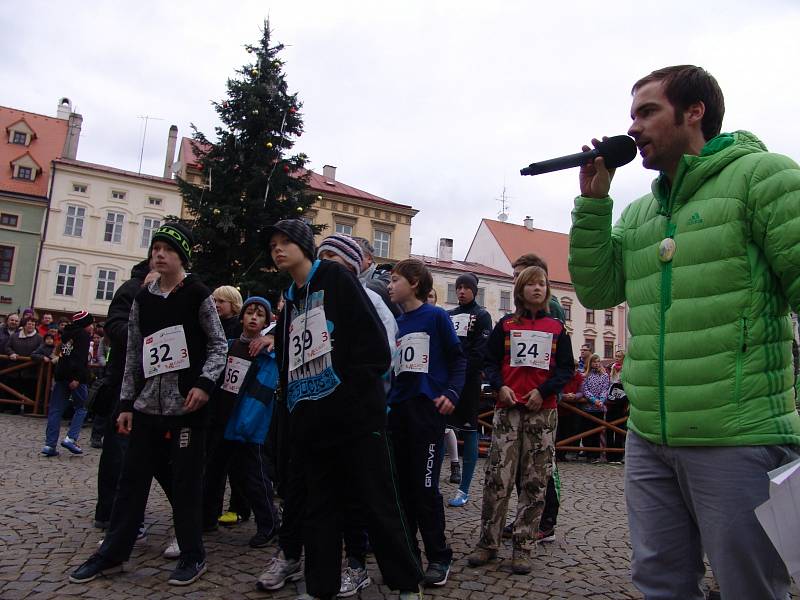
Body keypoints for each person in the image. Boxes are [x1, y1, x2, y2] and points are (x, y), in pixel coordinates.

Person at [569, 64, 800, 600]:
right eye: (631, 114)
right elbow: (599, 292)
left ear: (694, 112)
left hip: (739, 433)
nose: (633, 128)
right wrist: (594, 202)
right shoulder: (639, 211)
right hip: (649, 436)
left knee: (750, 585)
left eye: (647, 112)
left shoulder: (764, 178)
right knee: (660, 580)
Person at [267, 219, 423, 600]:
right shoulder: (289, 301)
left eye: (287, 241)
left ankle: (406, 583)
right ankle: (320, 587)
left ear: (305, 245)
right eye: (273, 243)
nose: (278, 248)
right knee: (320, 508)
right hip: (312, 424)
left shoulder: (336, 278)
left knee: (378, 501)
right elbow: (290, 367)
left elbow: (374, 348)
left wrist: (354, 400)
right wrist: (293, 418)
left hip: (356, 419)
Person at [70, 222, 227, 586]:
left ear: (181, 256)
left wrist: (204, 384)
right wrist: (126, 402)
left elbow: (218, 344)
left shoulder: (197, 293)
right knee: (131, 481)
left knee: (186, 483)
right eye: (155, 247)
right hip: (146, 406)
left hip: (187, 407)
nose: (159, 254)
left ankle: (192, 554)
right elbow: (134, 354)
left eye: (167, 249)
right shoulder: (143, 297)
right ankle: (113, 553)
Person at [467, 266, 573, 575]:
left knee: (535, 481)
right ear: (521, 289)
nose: (538, 288)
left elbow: (565, 369)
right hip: (508, 410)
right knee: (497, 478)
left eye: (542, 283)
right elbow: (489, 361)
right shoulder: (506, 325)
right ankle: (488, 543)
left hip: (542, 412)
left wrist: (544, 390)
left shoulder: (557, 328)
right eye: (532, 284)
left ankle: (524, 547)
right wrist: (500, 385)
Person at [316, 233, 398, 596]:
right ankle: (323, 567)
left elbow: (386, 357)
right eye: (323, 256)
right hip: (323, 414)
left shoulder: (373, 301)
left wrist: (359, 396)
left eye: (334, 257)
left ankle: (362, 564)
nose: (326, 264)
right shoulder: (313, 299)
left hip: (362, 414)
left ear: (354, 264)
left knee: (364, 493)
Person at [387, 258, 465, 587]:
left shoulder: (435, 317)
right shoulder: (394, 324)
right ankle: (409, 554)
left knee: (425, 488)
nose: (389, 286)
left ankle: (439, 556)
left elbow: (458, 358)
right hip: (398, 413)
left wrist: (451, 392)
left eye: (395, 280)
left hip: (426, 412)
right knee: (401, 490)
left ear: (415, 282)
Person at [203, 295, 280, 548]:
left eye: (260, 314)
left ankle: (268, 524)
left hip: (251, 425)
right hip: (224, 420)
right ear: (242, 316)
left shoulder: (267, 353)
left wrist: (248, 421)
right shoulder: (230, 346)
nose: (254, 317)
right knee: (213, 472)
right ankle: (206, 518)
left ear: (267, 321)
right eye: (250, 312)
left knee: (254, 476)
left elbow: (263, 390)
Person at [445, 273, 492, 507]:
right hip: (448, 381)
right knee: (441, 428)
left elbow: (479, 351)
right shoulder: (449, 315)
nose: (461, 291)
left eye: (466, 287)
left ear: (474, 290)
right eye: (458, 287)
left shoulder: (482, 316)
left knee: (470, 430)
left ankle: (464, 488)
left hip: (469, 382)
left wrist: (460, 374)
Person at [41, 312, 93, 456]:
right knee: (82, 407)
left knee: (55, 410)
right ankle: (71, 438)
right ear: (85, 324)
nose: (92, 326)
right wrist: (76, 377)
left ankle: (49, 445)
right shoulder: (82, 336)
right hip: (76, 378)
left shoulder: (66, 334)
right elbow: (79, 358)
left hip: (61, 375)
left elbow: (65, 356)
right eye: (90, 323)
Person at [578, 354, 609, 463]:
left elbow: (606, 389)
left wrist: (601, 400)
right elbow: (585, 390)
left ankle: (595, 454)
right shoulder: (585, 375)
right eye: (594, 362)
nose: (596, 363)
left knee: (597, 432)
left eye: (598, 361)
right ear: (590, 363)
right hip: (588, 407)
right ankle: (588, 453)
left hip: (599, 408)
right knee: (587, 431)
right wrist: (593, 400)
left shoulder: (604, 375)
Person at [605, 350, 627, 463]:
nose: (617, 358)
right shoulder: (613, 367)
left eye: (619, 356)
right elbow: (610, 382)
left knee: (619, 429)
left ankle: (618, 455)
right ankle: (609, 455)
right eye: (616, 356)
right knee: (609, 428)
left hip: (622, 400)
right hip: (611, 400)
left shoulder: (627, 368)